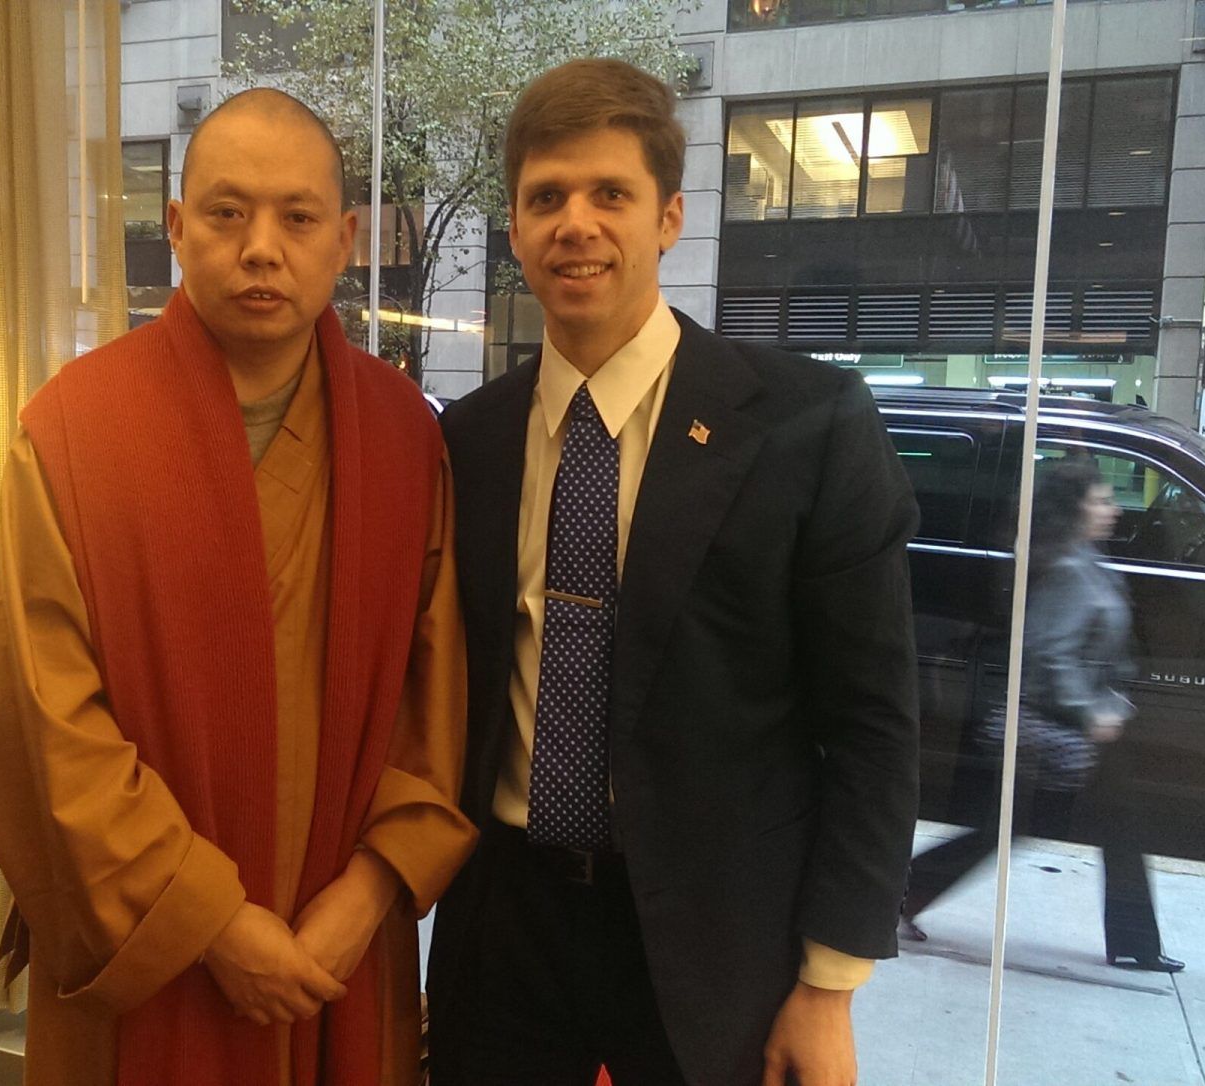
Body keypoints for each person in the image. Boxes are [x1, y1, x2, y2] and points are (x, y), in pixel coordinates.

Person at [427, 59, 921, 1086]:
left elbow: (873, 723)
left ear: (670, 217)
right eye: (547, 198)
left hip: (715, 946)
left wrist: (829, 986)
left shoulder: (806, 425)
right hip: (503, 931)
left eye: (612, 193)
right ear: (514, 230)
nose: (577, 223)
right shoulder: (468, 443)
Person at [0, 88, 477, 1086]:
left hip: (340, 940)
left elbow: (436, 697)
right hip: (150, 941)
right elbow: (47, 726)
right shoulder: (74, 433)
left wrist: (367, 894)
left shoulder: (404, 437)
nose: (260, 247)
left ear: (342, 240)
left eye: (296, 218)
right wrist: (210, 921)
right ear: (173, 229)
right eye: (225, 212)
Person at [900, 457, 1184, 973]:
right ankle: (1135, 944)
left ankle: (895, 898)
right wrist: (1091, 712)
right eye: (1100, 499)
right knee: (1105, 831)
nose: (1112, 509)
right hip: (1062, 726)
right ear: (1074, 510)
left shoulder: (1080, 560)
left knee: (1007, 830)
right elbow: (1049, 653)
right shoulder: (1073, 570)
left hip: (1068, 723)